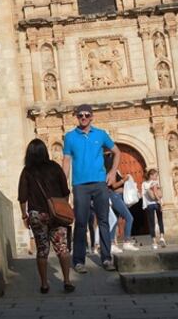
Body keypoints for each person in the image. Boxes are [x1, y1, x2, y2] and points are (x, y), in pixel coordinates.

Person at [62, 104, 120, 273]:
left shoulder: (101, 134)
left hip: (100, 183)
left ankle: (107, 258)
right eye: (81, 115)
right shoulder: (70, 137)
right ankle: (79, 261)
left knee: (103, 220)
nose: (84, 118)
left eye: (87, 115)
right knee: (80, 222)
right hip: (80, 185)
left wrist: (113, 172)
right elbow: (66, 161)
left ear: (92, 116)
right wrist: (62, 183)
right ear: (77, 117)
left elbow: (117, 152)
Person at [17, 139, 74, 294]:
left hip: (37, 214)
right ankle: (67, 281)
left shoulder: (27, 171)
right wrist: (61, 207)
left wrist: (24, 216)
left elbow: (22, 197)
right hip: (57, 214)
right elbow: (65, 190)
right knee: (62, 247)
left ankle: (44, 284)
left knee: (42, 249)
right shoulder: (55, 167)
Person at [104, 153, 137, 253]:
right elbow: (113, 185)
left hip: (115, 196)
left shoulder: (113, 171)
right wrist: (124, 180)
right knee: (129, 217)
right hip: (114, 197)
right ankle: (126, 241)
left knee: (114, 220)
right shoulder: (111, 171)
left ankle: (112, 244)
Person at [142, 169, 166, 249]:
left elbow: (143, 196)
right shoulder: (155, 183)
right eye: (155, 175)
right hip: (157, 204)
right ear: (151, 175)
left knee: (151, 223)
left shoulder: (144, 184)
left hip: (149, 205)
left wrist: (144, 206)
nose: (156, 177)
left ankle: (154, 242)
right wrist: (160, 202)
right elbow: (156, 193)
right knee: (160, 221)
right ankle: (162, 237)